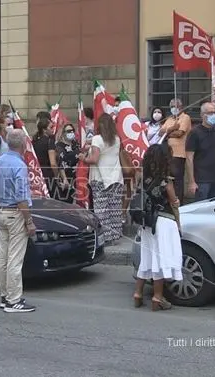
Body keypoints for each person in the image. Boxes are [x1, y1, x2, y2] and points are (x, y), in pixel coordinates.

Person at [0, 129, 37, 313]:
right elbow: (21, 196)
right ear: (23, 145)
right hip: (15, 213)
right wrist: (29, 221)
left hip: (1, 211)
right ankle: (13, 301)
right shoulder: (20, 165)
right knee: (15, 259)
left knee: (3, 256)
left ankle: (4, 296)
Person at [133, 144, 183, 311]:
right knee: (160, 260)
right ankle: (157, 297)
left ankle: (138, 294)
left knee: (147, 257)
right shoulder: (166, 181)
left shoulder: (143, 178)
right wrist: (179, 223)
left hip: (147, 223)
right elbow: (173, 203)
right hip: (164, 222)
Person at [82, 113, 124, 243]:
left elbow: (94, 159)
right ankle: (115, 237)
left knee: (102, 210)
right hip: (116, 177)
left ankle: (105, 238)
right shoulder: (117, 139)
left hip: (100, 178)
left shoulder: (97, 139)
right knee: (114, 208)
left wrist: (83, 158)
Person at [185, 102, 215, 201]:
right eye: (210, 113)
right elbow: (189, 158)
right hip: (201, 180)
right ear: (202, 115)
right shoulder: (194, 133)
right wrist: (191, 181)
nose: (214, 115)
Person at [160, 98, 192, 201]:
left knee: (177, 179)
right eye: (172, 107)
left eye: (176, 106)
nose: (174, 108)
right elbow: (160, 133)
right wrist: (171, 129)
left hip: (179, 153)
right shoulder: (169, 119)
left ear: (181, 107)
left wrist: (168, 133)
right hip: (167, 154)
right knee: (169, 179)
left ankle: (179, 201)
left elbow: (180, 133)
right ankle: (170, 200)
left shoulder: (185, 118)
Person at [33, 116, 59, 198]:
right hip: (49, 176)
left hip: (38, 175)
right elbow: (53, 163)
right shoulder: (49, 142)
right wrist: (57, 177)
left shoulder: (35, 141)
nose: (53, 129)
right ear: (44, 129)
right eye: (51, 127)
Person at [55, 123, 81, 204]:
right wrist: (65, 179)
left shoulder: (76, 145)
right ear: (63, 133)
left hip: (78, 177)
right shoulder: (59, 146)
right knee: (66, 204)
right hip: (67, 177)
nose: (71, 132)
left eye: (72, 130)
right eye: (69, 131)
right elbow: (60, 163)